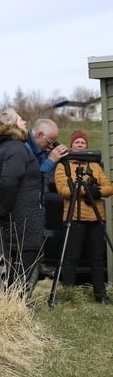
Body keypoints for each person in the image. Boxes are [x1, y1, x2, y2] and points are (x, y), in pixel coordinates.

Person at [0, 108, 44, 297]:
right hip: (24, 214)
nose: (25, 122)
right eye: (20, 120)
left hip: (17, 213)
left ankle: (11, 302)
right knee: (27, 258)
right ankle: (18, 303)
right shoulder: (16, 149)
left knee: (16, 257)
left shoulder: (3, 148)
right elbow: (9, 183)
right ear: (11, 126)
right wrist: (2, 210)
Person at [54, 130, 111, 304]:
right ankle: (68, 296)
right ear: (72, 145)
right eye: (77, 142)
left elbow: (109, 187)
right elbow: (63, 191)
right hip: (74, 217)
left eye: (83, 143)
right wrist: (86, 190)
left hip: (95, 217)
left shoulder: (95, 166)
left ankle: (101, 295)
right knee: (71, 257)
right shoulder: (63, 165)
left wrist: (97, 191)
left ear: (87, 146)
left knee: (97, 258)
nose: (80, 145)